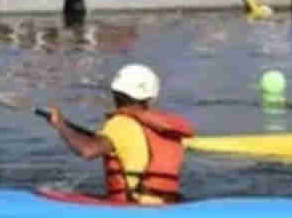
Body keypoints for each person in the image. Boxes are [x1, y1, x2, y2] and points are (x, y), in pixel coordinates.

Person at [42, 64, 195, 205]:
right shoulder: (165, 129)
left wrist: (60, 124)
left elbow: (87, 150)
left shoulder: (120, 124)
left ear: (115, 93)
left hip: (132, 214)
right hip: (168, 207)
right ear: (151, 97)